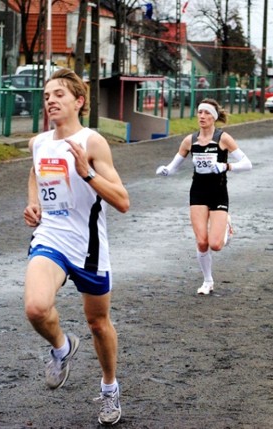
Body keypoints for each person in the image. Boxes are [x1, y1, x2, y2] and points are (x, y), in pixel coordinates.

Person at [22, 68, 129, 426]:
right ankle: (62, 348)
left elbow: (123, 201)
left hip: (89, 245)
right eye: (47, 94)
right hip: (51, 237)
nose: (50, 99)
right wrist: (33, 201)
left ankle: (110, 389)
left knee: (97, 322)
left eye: (59, 95)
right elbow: (35, 172)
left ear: (79, 101)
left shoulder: (93, 142)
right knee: (36, 308)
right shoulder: (38, 142)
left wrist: (87, 172)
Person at [155, 98, 252, 295]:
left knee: (215, 245)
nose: (202, 116)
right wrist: (165, 170)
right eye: (200, 112)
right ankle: (207, 281)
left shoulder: (223, 138)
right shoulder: (189, 140)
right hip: (198, 192)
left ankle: (226, 226)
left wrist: (226, 166)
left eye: (207, 113)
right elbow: (174, 167)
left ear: (214, 117)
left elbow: (248, 164)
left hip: (218, 192)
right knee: (201, 242)